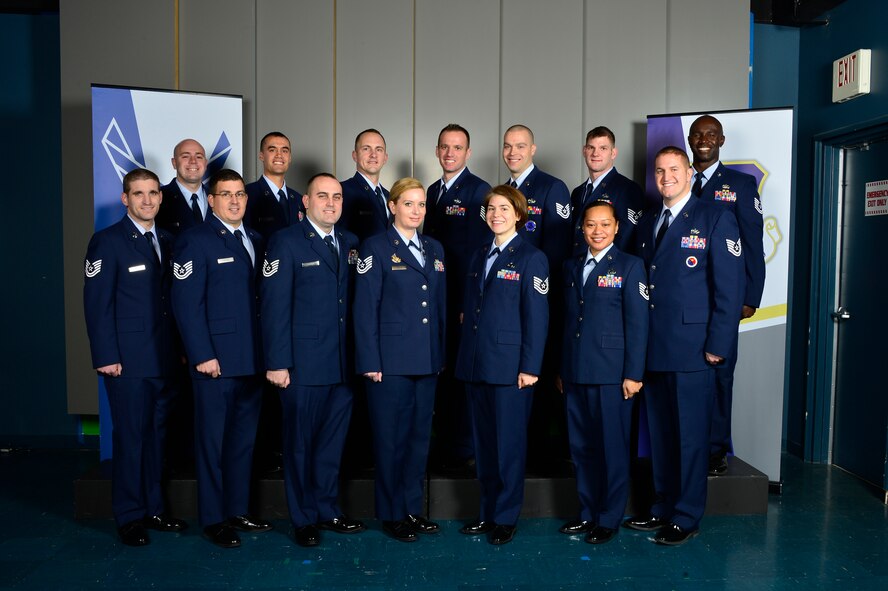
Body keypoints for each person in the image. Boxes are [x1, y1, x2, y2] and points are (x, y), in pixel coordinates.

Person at [624, 146, 744, 545]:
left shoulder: (715, 218)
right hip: (654, 349)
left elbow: (730, 290)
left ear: (690, 173)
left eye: (674, 170)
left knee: (691, 437)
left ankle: (687, 515)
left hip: (695, 349)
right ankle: (662, 507)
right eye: (659, 171)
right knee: (661, 435)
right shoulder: (649, 222)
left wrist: (718, 345)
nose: (666, 177)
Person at [83, 168, 187, 546]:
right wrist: (106, 355)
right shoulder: (107, 242)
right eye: (138, 193)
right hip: (126, 362)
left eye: (153, 193)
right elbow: (97, 306)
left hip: (164, 360)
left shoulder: (171, 241)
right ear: (125, 198)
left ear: (161, 197)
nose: (147, 200)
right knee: (131, 439)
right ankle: (129, 516)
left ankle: (154, 508)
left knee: (158, 439)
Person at [260, 173, 365, 547]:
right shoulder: (285, 242)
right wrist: (277, 362)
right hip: (301, 366)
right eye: (323, 196)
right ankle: (303, 518)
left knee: (332, 445)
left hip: (341, 365)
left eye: (337, 197)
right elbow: (274, 308)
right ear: (306, 202)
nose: (331, 203)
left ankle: (327, 509)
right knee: (300, 445)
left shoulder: (350, 242)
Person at [170, 169, 271, 548]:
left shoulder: (257, 240)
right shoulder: (194, 241)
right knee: (212, 444)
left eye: (240, 194)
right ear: (210, 200)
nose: (234, 201)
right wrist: (202, 355)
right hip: (215, 363)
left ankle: (237, 509)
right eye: (225, 194)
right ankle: (214, 519)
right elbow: (186, 304)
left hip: (252, 360)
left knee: (243, 443)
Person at [455, 184, 549, 545]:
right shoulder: (479, 254)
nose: (496, 215)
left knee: (508, 446)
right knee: (484, 447)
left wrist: (530, 366)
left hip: (512, 369)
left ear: (519, 215)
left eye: (504, 209)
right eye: (491, 209)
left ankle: (506, 517)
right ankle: (486, 513)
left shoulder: (531, 258)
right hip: (477, 365)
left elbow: (536, 319)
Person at [353, 177, 446, 542]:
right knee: (390, 440)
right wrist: (369, 360)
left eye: (421, 205)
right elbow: (365, 310)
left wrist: (439, 355)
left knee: (418, 439)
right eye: (408, 203)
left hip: (426, 361)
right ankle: (392, 513)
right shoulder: (375, 247)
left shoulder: (434, 248)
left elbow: (438, 309)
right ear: (393, 206)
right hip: (388, 364)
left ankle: (412, 508)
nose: (416, 211)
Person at [557, 200, 648, 545]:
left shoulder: (630, 266)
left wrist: (633, 373)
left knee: (611, 448)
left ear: (616, 228)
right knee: (582, 448)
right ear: (582, 228)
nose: (597, 231)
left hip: (613, 374)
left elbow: (638, 324)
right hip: (576, 371)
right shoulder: (570, 266)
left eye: (605, 225)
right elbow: (568, 323)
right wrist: (563, 368)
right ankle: (586, 512)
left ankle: (608, 517)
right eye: (591, 225)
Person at [687, 114, 766, 476]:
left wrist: (750, 296)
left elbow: (752, 242)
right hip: (685, 299)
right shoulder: (678, 178)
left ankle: (716, 448)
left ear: (721, 140)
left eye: (710, 134)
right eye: (698, 134)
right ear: (689, 139)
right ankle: (687, 444)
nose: (704, 139)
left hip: (724, 298)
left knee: (720, 374)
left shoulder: (740, 184)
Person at [502, 124, 572, 463]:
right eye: (508, 146)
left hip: (540, 300)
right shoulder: (501, 191)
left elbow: (557, 255)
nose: (513, 152)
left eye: (520, 145)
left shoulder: (552, 188)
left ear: (533, 149)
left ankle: (540, 458)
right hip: (506, 306)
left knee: (540, 380)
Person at [423, 124, 492, 469]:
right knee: (441, 368)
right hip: (435, 298)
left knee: (460, 373)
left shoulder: (480, 191)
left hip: (461, 302)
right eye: (445, 147)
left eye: (457, 147)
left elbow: (482, 252)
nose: (450, 153)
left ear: (468, 152)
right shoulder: (433, 191)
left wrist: (469, 303)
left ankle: (463, 447)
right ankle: (446, 442)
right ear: (437, 151)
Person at [570, 126, 645, 255]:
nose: (595, 153)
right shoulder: (578, 192)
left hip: (609, 269)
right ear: (584, 151)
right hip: (577, 266)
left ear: (613, 153)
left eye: (603, 148)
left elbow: (627, 237)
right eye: (591, 148)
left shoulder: (628, 189)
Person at [245, 131, 302, 239]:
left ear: (290, 157)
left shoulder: (299, 199)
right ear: (261, 155)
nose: (279, 155)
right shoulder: (247, 194)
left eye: (284, 151)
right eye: (272, 150)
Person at [341, 128, 390, 242]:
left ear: (385, 158)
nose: (373, 155)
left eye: (379, 149)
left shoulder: (391, 196)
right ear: (355, 155)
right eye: (366, 148)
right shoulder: (341, 191)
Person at [156, 138, 209, 237]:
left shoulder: (219, 197)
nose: (193, 161)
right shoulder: (157, 199)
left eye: (199, 157)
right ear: (174, 163)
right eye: (185, 156)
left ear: (205, 164)